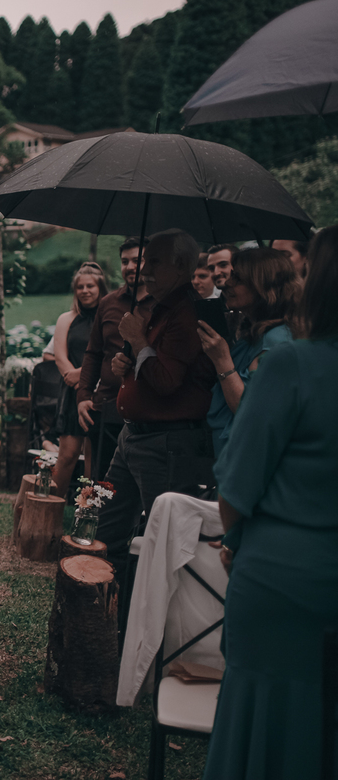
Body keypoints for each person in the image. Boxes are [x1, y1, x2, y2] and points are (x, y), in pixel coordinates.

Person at [202, 224, 338, 780]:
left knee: (264, 734)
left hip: (283, 581)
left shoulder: (292, 363)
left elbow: (236, 488)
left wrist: (237, 542)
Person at [94, 229, 217, 564]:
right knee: (106, 531)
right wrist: (129, 364)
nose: (144, 268)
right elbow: (153, 364)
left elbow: (166, 381)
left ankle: (156, 614)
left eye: (154, 261)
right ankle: (111, 610)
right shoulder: (163, 308)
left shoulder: (186, 313)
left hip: (165, 444)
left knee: (165, 541)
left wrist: (136, 340)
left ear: (180, 266)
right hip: (133, 437)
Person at [197, 249, 300, 457]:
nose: (227, 283)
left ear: (263, 285)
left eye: (238, 278)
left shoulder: (277, 340)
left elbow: (250, 411)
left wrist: (222, 360)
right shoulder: (251, 335)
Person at [76, 237, 154, 479]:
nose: (130, 267)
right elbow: (93, 352)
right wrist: (83, 396)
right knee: (102, 482)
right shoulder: (108, 303)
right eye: (124, 261)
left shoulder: (163, 304)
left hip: (147, 408)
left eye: (137, 260)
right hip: (106, 404)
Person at [49, 263, 108, 495]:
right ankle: (51, 507)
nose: (85, 291)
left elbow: (106, 355)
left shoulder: (107, 317)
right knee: (67, 455)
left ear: (100, 287)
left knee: (94, 458)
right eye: (80, 287)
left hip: (98, 391)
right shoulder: (67, 319)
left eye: (90, 286)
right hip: (71, 392)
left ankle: (88, 511)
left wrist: (83, 375)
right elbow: (59, 356)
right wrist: (70, 375)